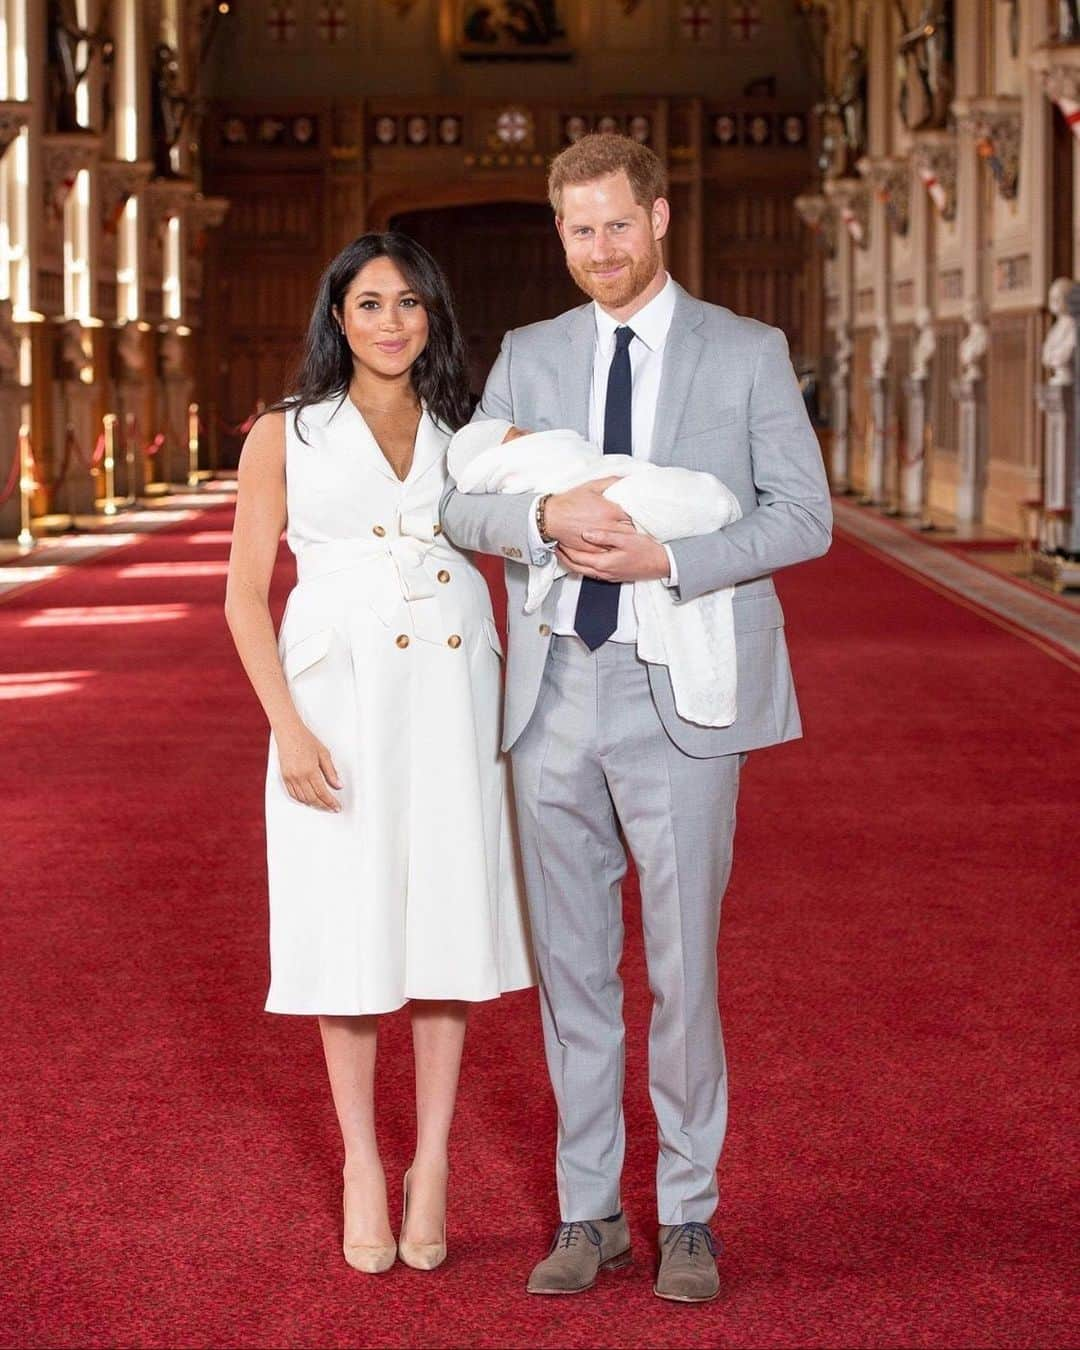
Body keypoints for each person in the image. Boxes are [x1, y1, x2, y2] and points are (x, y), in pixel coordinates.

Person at [441, 134, 832, 1303]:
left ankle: (692, 1214)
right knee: (572, 974)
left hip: (682, 692)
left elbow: (803, 518)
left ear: (659, 218)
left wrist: (672, 552)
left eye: (618, 224)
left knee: (681, 970)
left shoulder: (746, 352)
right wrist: (541, 514)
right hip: (555, 691)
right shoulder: (529, 352)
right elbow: (463, 500)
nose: (599, 250)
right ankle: (590, 1210)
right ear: (558, 234)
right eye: (578, 230)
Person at [225, 232, 534, 1275]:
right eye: (369, 303)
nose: (391, 321)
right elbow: (242, 595)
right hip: (337, 699)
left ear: (435, 317)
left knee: (446, 922)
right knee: (348, 930)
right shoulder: (285, 432)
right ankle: (363, 1157)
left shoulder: (473, 431)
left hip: (454, 692)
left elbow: (541, 511)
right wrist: (287, 727)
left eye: (409, 303)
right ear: (338, 317)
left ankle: (432, 1162)